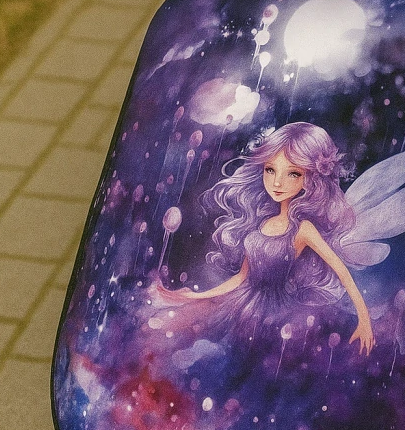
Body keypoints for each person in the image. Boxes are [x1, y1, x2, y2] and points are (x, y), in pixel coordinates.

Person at [156, 121, 376, 355]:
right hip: (242, 304)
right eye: (270, 170)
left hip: (279, 313)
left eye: (293, 173)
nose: (277, 182)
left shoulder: (303, 229)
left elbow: (342, 273)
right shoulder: (261, 223)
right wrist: (196, 295)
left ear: (309, 179)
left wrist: (364, 319)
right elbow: (242, 278)